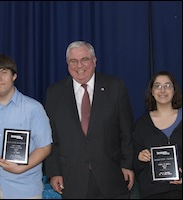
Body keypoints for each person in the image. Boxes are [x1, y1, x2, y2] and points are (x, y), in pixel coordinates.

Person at [44, 41, 134, 199]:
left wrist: (127, 164)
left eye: (84, 59)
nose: (79, 65)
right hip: (73, 179)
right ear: (67, 64)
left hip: (112, 176)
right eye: (73, 61)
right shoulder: (55, 93)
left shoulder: (115, 87)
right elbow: (51, 137)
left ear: (94, 61)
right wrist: (54, 172)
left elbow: (126, 131)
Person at [0, 54, 53, 199]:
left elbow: (45, 147)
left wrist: (21, 168)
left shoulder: (33, 108)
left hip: (25, 191)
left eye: (4, 73)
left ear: (14, 76)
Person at [133, 71, 182, 199]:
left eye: (167, 85)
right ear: (152, 92)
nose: (163, 90)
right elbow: (133, 161)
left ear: (174, 90)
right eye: (158, 86)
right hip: (152, 192)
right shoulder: (141, 124)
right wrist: (140, 157)